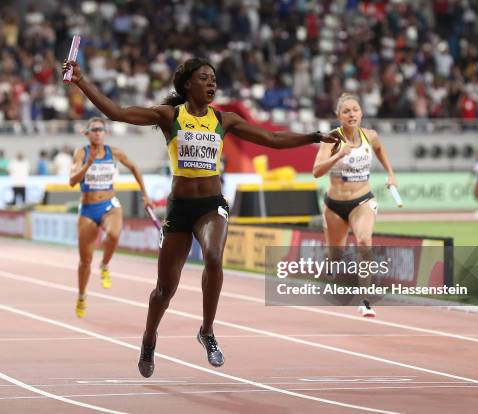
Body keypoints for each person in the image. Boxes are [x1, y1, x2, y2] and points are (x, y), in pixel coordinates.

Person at [62, 57, 339, 377]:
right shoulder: (169, 116)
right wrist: (81, 81)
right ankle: (149, 339)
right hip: (179, 209)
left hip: (212, 204)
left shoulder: (225, 120)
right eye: (205, 78)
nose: (212, 84)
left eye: (214, 79)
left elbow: (273, 140)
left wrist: (315, 136)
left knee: (213, 257)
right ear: (186, 84)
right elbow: (117, 113)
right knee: (164, 290)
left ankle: (207, 331)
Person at [313, 93, 398, 317]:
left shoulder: (370, 136)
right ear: (338, 115)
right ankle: (330, 263)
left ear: (361, 112)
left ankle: (365, 299)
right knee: (335, 255)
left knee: (364, 241)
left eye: (355, 110)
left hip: (362, 200)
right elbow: (316, 171)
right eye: (346, 111)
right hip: (334, 205)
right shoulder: (331, 139)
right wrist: (338, 155)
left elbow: (380, 150)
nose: (352, 114)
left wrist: (391, 174)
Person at [70, 117, 152, 318]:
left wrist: (145, 194)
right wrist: (87, 165)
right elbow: (72, 181)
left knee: (114, 234)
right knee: (85, 261)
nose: (98, 133)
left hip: (109, 204)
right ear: (87, 133)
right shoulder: (81, 153)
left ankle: (105, 264)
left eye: (101, 129)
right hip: (89, 208)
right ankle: (82, 295)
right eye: (94, 130)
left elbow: (134, 167)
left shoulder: (113, 152)